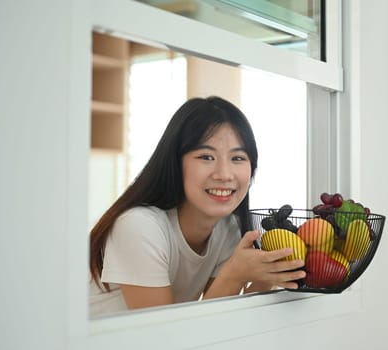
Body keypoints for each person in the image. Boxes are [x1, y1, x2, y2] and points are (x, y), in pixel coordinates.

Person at [88, 96, 305, 318]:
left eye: (238, 158)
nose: (224, 174)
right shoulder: (139, 226)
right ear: (175, 162)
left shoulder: (227, 228)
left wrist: (265, 276)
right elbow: (164, 338)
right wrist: (233, 274)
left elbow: (216, 323)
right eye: (206, 156)